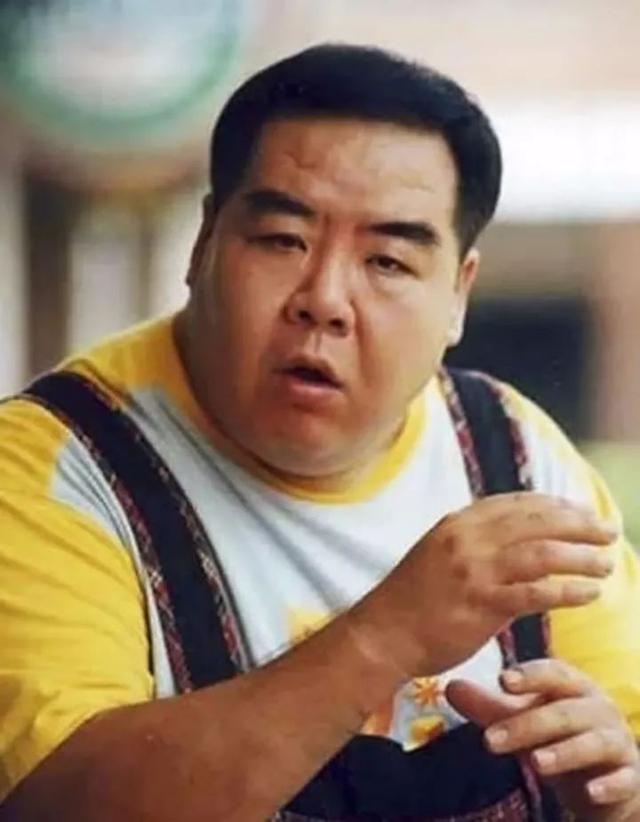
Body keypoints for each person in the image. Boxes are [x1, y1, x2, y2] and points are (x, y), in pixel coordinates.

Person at [0, 43, 639, 822]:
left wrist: (615, 798)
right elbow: (56, 803)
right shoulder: (55, 466)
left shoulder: (516, 455)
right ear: (204, 244)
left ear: (457, 296)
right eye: (283, 240)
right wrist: (388, 634)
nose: (325, 300)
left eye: (388, 262)